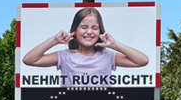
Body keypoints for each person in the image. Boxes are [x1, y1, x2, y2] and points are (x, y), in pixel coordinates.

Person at [21, 8, 149, 87]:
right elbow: (29, 60)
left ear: (100, 31)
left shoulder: (108, 56)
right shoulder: (64, 56)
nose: (89, 32)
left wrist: (114, 44)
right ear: (75, 30)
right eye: (84, 27)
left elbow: (142, 60)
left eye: (94, 28)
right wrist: (54, 40)